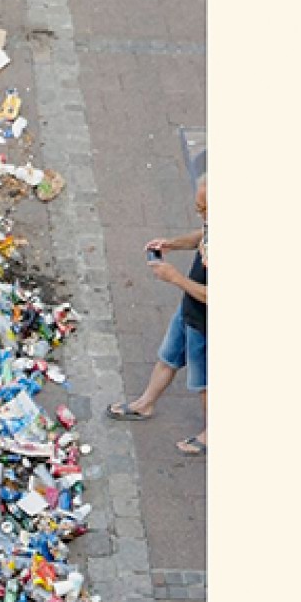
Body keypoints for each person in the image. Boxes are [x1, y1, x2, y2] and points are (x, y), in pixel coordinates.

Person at [108, 172, 207, 456]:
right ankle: (145, 403)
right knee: (168, 357)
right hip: (190, 308)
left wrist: (176, 278)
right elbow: (202, 234)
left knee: (205, 384)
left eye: (204, 208)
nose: (199, 213)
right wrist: (173, 244)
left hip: (207, 323)